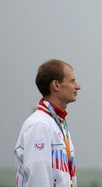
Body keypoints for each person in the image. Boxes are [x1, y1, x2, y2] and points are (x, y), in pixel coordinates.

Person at [14, 59, 81, 187]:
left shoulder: (59, 123)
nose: (78, 86)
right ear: (56, 85)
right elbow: (38, 180)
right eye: (72, 81)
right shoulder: (39, 125)